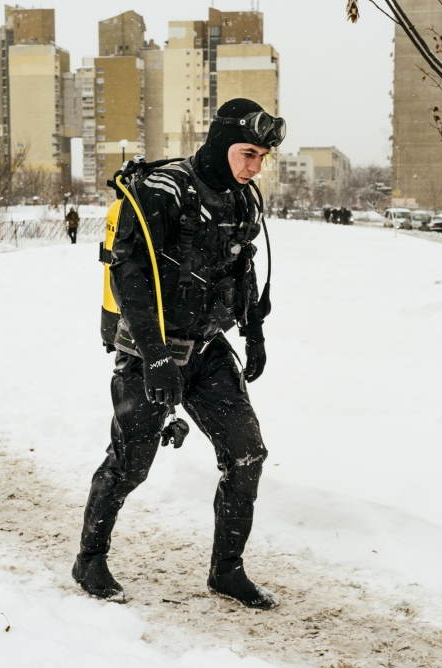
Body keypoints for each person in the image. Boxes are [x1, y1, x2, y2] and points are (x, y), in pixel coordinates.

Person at [73, 98, 285, 610]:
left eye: (261, 158)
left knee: (246, 454)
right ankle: (90, 558)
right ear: (221, 144)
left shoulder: (242, 200)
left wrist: (253, 332)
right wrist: (156, 357)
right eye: (248, 153)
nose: (255, 167)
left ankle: (226, 570)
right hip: (149, 349)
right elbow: (128, 275)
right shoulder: (163, 189)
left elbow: (243, 267)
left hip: (209, 349)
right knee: (130, 464)